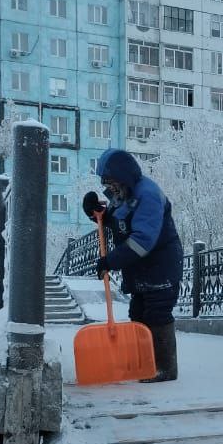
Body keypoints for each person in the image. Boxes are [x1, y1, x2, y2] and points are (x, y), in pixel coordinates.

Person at [83, 149, 184, 383]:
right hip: (141, 267)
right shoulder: (125, 194)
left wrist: (111, 261)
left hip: (160, 266)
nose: (110, 188)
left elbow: (142, 240)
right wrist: (97, 214)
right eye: (106, 183)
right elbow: (120, 223)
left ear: (123, 176)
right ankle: (143, 363)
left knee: (157, 313)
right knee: (138, 313)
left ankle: (164, 368)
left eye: (111, 182)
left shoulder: (148, 195)